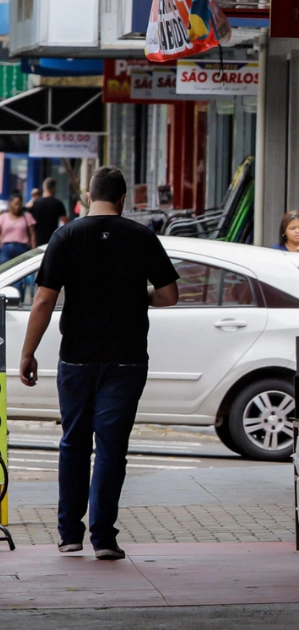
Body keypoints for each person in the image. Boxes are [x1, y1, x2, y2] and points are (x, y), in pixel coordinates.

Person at [19, 165, 179, 560]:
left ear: (89, 197)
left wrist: (28, 352)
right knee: (111, 448)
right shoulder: (141, 237)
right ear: (123, 199)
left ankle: (69, 534)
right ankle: (104, 538)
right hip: (126, 360)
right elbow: (170, 294)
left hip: (76, 358)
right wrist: (137, 297)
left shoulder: (66, 236)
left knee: (74, 442)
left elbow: (43, 300)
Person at [28, 176, 67, 246]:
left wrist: (33, 198)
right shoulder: (58, 203)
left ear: (44, 187)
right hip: (52, 239)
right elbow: (65, 222)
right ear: (54, 188)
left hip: (37, 239)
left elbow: (27, 215)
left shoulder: (35, 203)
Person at [0, 192, 36, 264]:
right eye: (16, 204)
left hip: (22, 248)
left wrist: (33, 250)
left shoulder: (27, 216)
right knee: (4, 270)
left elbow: (32, 235)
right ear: (10, 204)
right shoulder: (3, 217)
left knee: (23, 270)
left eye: (20, 204)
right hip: (6, 248)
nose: (18, 206)